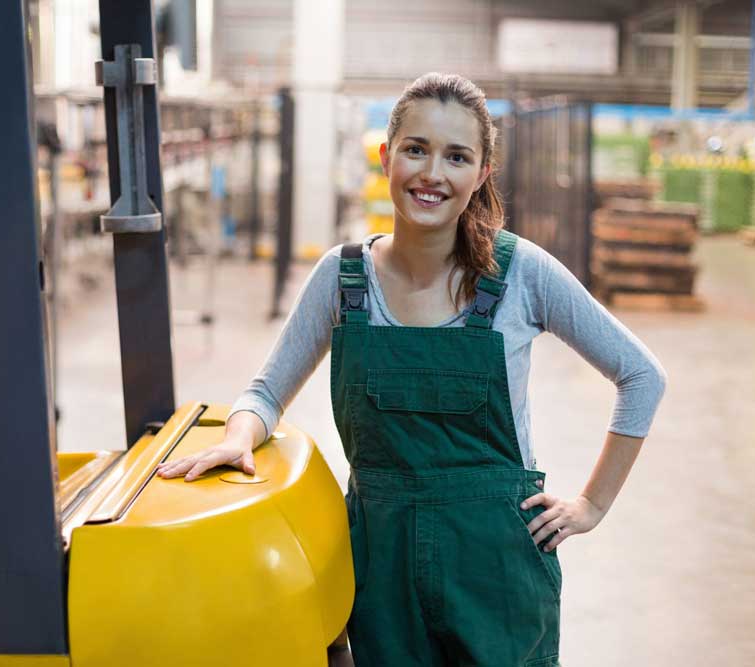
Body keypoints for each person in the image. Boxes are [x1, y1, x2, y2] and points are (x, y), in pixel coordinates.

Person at [157, 73, 666, 667]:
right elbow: (266, 391)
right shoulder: (343, 280)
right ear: (387, 156)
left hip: (496, 572)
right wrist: (238, 436)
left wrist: (592, 505)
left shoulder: (521, 274)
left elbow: (641, 375)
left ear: (480, 175)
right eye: (416, 149)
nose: (432, 174)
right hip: (380, 568)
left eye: (456, 157)